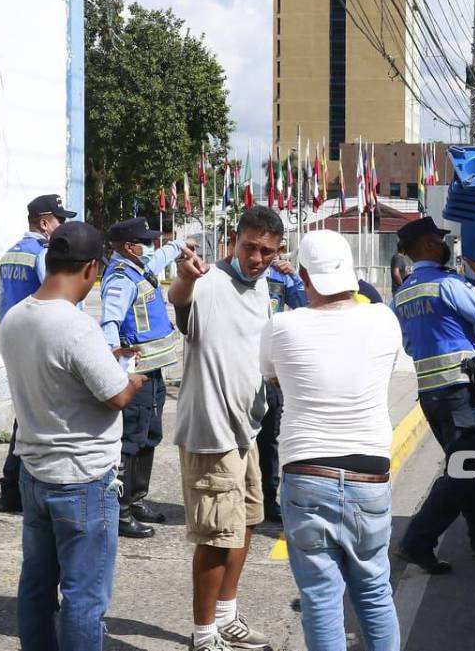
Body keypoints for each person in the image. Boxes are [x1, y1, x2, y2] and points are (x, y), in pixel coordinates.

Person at [0, 221, 146, 651]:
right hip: (82, 479)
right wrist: (132, 380)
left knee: (37, 588)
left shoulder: (16, 318)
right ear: (91, 269)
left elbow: (57, 373)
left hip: (35, 473)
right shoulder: (76, 326)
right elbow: (116, 395)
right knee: (84, 597)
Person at [261, 231, 403, 651]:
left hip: (307, 472)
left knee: (321, 598)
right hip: (369, 474)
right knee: (375, 590)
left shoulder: (282, 325)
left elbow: (272, 377)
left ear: (303, 275)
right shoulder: (383, 319)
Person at [169, 206, 279, 651]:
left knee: (246, 524)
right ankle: (203, 634)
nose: (256, 258)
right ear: (236, 239)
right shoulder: (208, 282)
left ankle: (228, 617)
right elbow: (181, 302)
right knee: (216, 538)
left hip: (246, 432)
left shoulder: (263, 286)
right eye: (250, 247)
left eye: (266, 251)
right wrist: (188, 278)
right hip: (211, 434)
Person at [390, 217, 475, 574]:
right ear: (428, 245)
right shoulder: (444, 284)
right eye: (440, 240)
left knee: (467, 466)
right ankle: (417, 541)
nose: (447, 246)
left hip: (430, 393)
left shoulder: (405, 293)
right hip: (460, 389)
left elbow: (412, 344)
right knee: (464, 469)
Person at [100, 217, 191, 539]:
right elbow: (109, 321)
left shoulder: (138, 266)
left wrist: (178, 247)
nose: (150, 246)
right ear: (129, 246)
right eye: (145, 241)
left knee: (150, 435)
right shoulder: (121, 278)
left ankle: (136, 499)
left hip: (153, 370)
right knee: (131, 441)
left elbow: (159, 257)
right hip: (136, 374)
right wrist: (115, 363)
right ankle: (120, 511)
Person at [0, 193, 77, 514]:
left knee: (26, 413)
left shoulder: (10, 253)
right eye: (60, 220)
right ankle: (19, 488)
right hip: (39, 340)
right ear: (44, 223)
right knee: (38, 416)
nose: (62, 227)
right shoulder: (42, 256)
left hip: (13, 338)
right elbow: (56, 297)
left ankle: (10, 489)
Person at [258, 252, 308, 523]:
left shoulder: (280, 276)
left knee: (270, 439)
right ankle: (244, 497)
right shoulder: (237, 275)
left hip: (271, 371)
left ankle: (268, 499)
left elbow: (304, 306)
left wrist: (294, 275)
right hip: (240, 367)